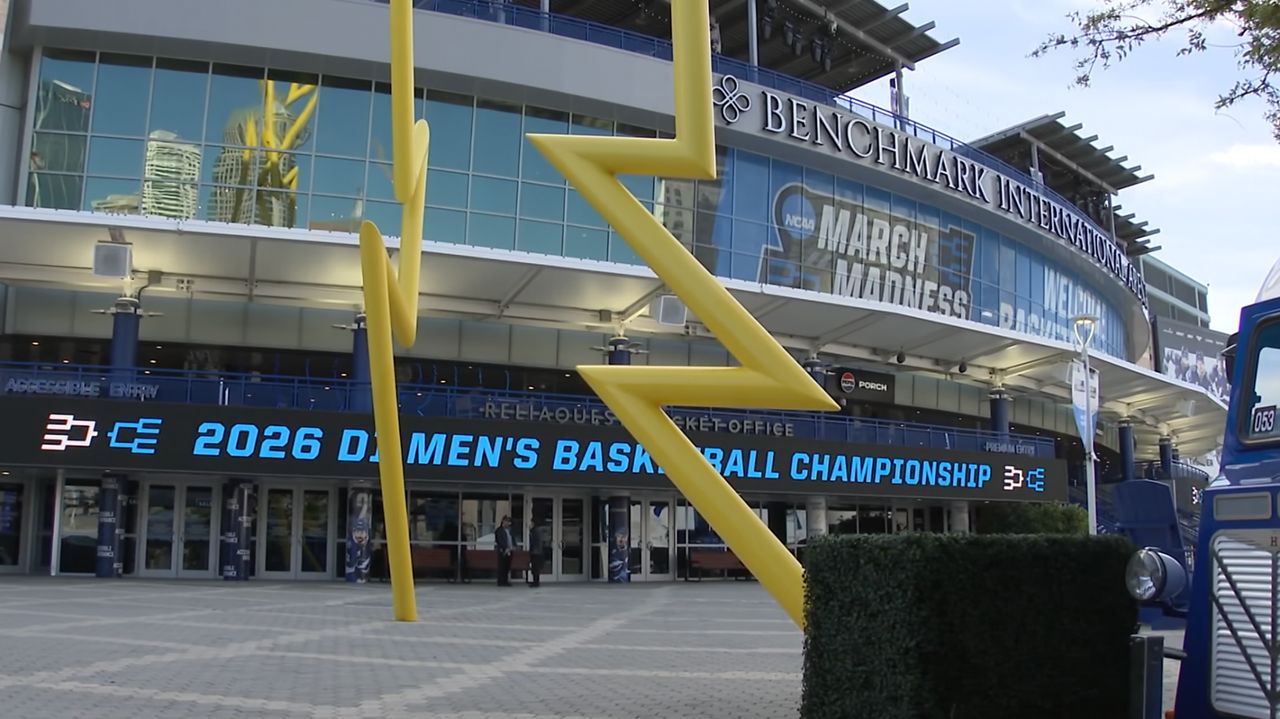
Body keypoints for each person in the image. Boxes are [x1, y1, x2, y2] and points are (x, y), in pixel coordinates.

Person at [494, 515, 514, 587]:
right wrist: (505, 548)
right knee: (502, 566)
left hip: (509, 551)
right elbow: (500, 541)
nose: (509, 524)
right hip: (503, 551)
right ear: (503, 522)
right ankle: (501, 581)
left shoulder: (509, 530)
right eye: (507, 522)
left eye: (509, 522)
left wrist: (513, 546)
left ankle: (505, 581)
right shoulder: (499, 530)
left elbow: (512, 539)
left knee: (507, 567)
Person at [527, 519, 544, 588]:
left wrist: (534, 550)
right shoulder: (536, 530)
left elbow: (535, 542)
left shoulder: (535, 531)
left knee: (535, 568)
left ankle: (535, 582)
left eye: (531, 523)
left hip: (536, 552)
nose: (530, 524)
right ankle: (536, 582)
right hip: (537, 552)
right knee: (535, 568)